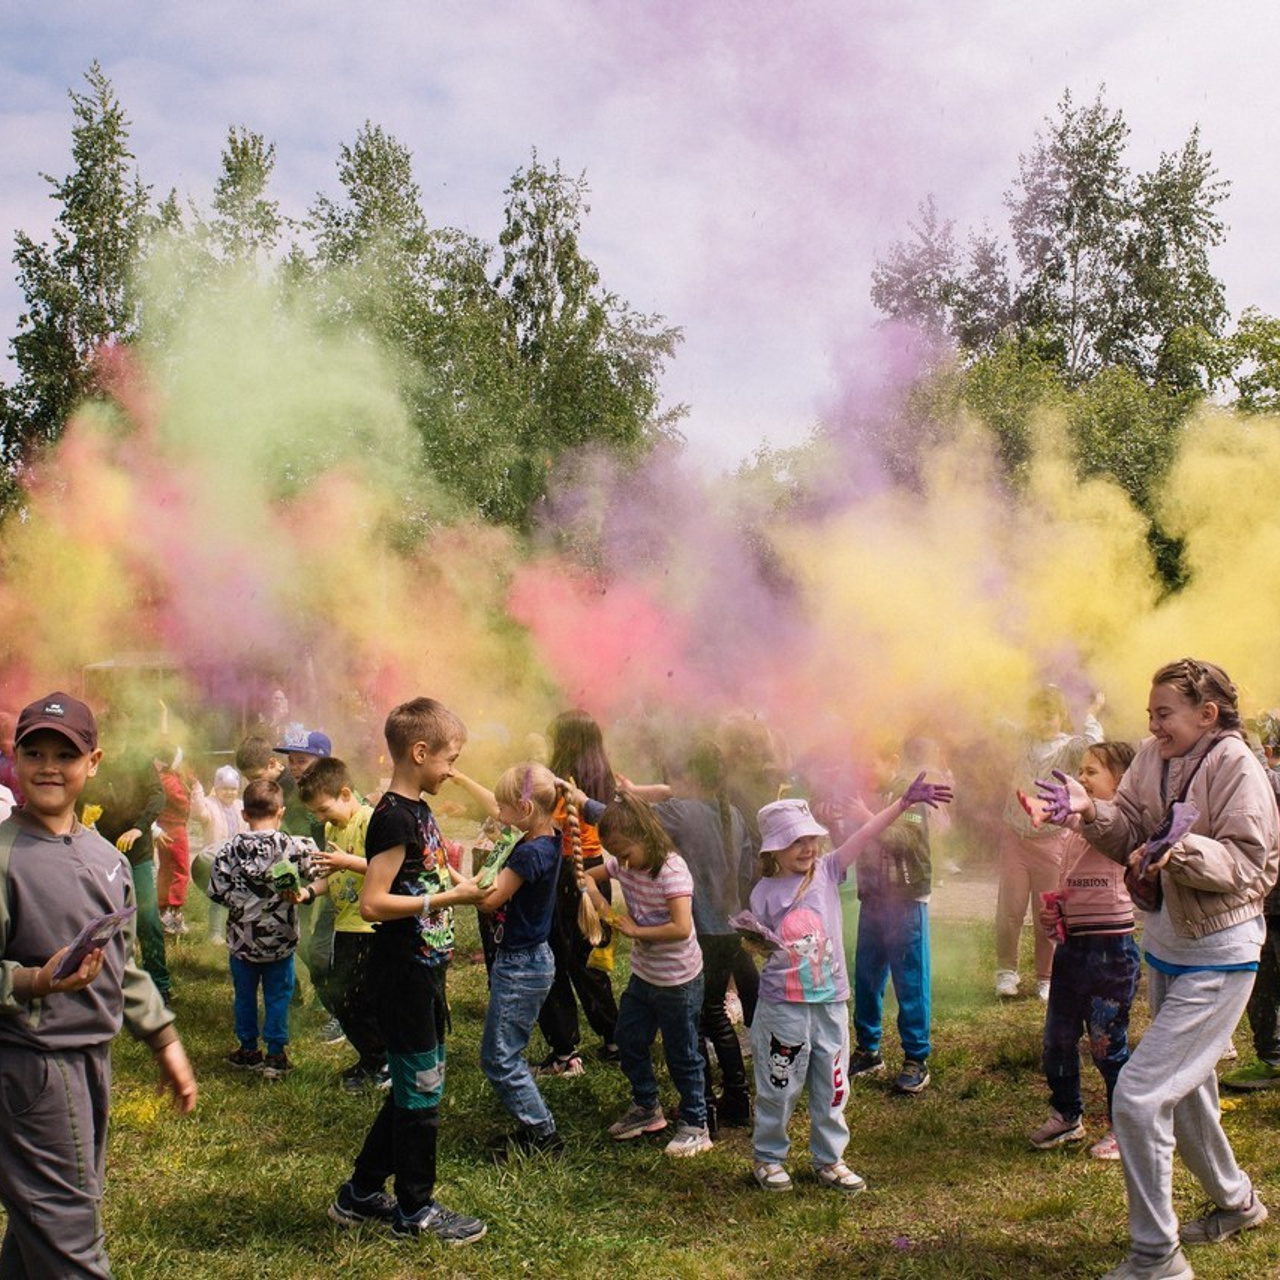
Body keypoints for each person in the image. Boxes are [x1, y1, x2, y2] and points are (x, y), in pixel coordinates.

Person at [1034, 659, 1278, 1280]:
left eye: (1164, 713)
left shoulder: (1236, 766)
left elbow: (1252, 865)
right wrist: (1092, 812)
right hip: (1168, 947)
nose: (1153, 724)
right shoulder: (1152, 756)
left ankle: (1156, 1257)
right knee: (1189, 1092)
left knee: (1139, 1099)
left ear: (1207, 714)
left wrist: (1181, 849)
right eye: (1149, 714)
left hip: (1221, 956)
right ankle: (1236, 1203)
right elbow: (1133, 830)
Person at [0, 691, 197, 1276]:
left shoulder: (106, 857)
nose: (49, 766)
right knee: (71, 1236)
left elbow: (123, 963)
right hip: (31, 1065)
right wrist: (35, 980)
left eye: (66, 754)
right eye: (33, 751)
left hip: (91, 1061)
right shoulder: (5, 856)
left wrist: (164, 1038)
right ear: (14, 758)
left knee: (42, 1222)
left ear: (95, 762)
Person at [326, 696, 487, 1244]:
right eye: (450, 759)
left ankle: (362, 1192)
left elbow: (417, 879)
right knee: (422, 1095)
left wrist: (454, 884)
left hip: (424, 971)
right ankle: (414, 1211)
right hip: (403, 975)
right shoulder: (394, 816)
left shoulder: (417, 811)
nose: (452, 770)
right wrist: (448, 902)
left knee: (416, 1088)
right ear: (420, 752)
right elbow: (373, 902)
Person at [746, 776, 951, 1194]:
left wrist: (900, 805)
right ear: (773, 850)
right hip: (783, 1006)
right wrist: (757, 942)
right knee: (779, 1083)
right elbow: (761, 943)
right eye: (795, 841)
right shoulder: (763, 891)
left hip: (830, 1004)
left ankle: (830, 1158)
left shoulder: (828, 870)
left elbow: (865, 834)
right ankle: (768, 1157)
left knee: (834, 1086)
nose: (807, 847)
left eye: (811, 838)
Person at [583, 792, 712, 1158]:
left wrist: (637, 932)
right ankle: (647, 1108)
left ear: (646, 835)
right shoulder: (625, 862)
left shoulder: (671, 870)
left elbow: (681, 927)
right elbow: (590, 875)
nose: (620, 862)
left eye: (624, 852)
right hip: (644, 976)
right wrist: (595, 896)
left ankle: (695, 1123)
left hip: (679, 981)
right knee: (628, 1039)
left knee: (683, 1052)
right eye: (615, 854)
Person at [1027, 740, 1139, 1160]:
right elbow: (1070, 879)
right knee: (1057, 1039)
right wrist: (1056, 915)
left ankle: (1123, 1127)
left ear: (1123, 782)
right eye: (1082, 769)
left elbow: (1107, 831)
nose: (1082, 777)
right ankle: (1066, 1114)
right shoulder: (1073, 831)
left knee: (1107, 1045)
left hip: (1111, 952)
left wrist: (1075, 815)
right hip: (1072, 949)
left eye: (1093, 771)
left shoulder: (1122, 823)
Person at [652, 737, 756, 1129]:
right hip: (729, 930)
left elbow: (628, 821)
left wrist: (583, 799)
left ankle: (704, 1106)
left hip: (698, 932)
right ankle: (737, 1098)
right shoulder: (732, 813)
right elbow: (745, 873)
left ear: (687, 775)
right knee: (715, 1015)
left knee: (694, 1019)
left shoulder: (681, 811)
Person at [473, 763, 565, 1156]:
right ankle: (537, 1128)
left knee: (499, 1058)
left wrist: (449, 879)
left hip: (521, 964)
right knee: (504, 1051)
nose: (498, 813)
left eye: (502, 806)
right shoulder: (548, 839)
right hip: (531, 959)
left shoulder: (528, 854)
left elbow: (490, 900)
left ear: (525, 809)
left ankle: (543, 1134)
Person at [847, 738, 943, 1096]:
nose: (863, 772)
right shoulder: (863, 793)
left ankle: (916, 1058)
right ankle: (868, 1049)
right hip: (873, 899)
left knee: (910, 980)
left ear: (892, 760)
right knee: (866, 976)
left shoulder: (913, 794)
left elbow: (905, 839)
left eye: (870, 763)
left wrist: (864, 818)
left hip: (905, 901)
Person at [206, 778, 320, 1079]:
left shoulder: (228, 851)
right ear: (280, 812)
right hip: (280, 943)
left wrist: (240, 902)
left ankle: (248, 1050)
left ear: (244, 814)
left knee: (244, 996)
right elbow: (317, 871)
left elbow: (216, 892)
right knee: (278, 997)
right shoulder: (294, 846)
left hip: (243, 944)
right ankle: (276, 1055)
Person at [996, 686, 1104, 1000]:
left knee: (1049, 911)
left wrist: (1092, 712)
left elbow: (1093, 745)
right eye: (1038, 715)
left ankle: (1046, 977)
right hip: (1016, 836)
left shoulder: (1070, 747)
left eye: (1050, 715)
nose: (1044, 721)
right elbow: (997, 723)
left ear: (1061, 717)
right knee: (1010, 909)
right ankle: (1006, 972)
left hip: (1053, 841)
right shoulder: (1023, 740)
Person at [535, 709, 621, 1075]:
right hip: (594, 870)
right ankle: (615, 1037)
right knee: (589, 959)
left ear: (566, 742)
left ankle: (565, 1049)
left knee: (556, 957)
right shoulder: (604, 777)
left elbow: (545, 823)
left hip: (567, 871)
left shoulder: (560, 782)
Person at [297, 756, 387, 1090]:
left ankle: (383, 1063)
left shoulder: (368, 821)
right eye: (315, 814)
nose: (320, 819)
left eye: (324, 809)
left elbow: (383, 867)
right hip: (344, 925)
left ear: (346, 793)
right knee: (344, 997)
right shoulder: (333, 828)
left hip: (369, 928)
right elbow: (334, 876)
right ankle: (371, 1058)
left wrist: (346, 860)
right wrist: (308, 891)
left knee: (359, 999)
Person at [189, 764, 246, 945]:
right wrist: (197, 790)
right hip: (217, 860)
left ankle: (237, 929)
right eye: (224, 788)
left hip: (238, 859)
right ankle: (215, 933)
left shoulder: (240, 806)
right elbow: (198, 813)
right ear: (216, 788)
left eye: (233, 789)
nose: (229, 792)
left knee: (239, 896)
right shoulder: (210, 805)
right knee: (218, 899)